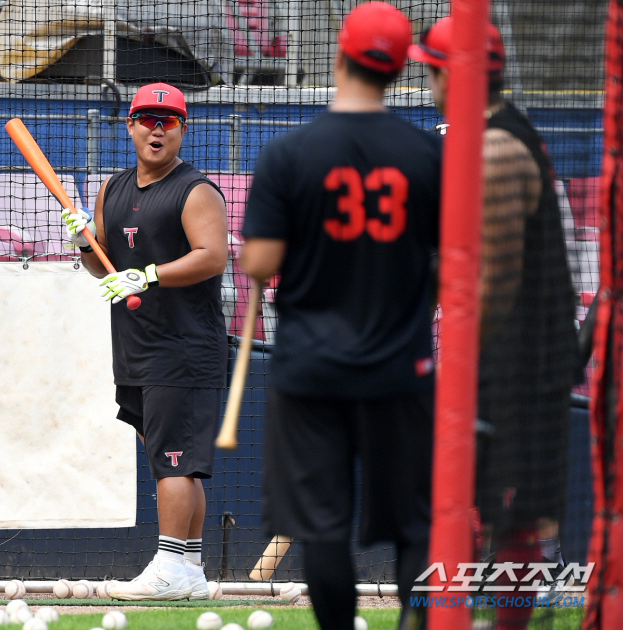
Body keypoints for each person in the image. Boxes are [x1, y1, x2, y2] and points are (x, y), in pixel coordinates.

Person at [239, 3, 441, 629]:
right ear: (400, 68)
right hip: (399, 366)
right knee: (414, 521)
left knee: (320, 523)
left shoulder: (290, 154)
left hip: (311, 370)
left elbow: (259, 263)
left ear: (340, 55)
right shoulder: (427, 155)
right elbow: (448, 264)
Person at [409, 17, 578, 629]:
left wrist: (453, 367)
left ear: (454, 75)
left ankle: (500, 621)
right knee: (492, 504)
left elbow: (492, 283)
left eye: (430, 70)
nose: (425, 82)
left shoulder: (500, 147)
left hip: (517, 364)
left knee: (510, 507)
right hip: (512, 356)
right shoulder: (493, 137)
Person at [61, 82, 228, 601]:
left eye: (169, 121)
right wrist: (83, 243)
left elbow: (212, 256)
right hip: (136, 345)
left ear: (182, 130)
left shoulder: (195, 190)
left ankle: (170, 567)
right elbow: (102, 266)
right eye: (147, 119)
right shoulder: (112, 189)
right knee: (169, 459)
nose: (157, 129)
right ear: (129, 125)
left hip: (184, 347)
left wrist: (148, 275)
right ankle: (191, 571)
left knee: (174, 462)